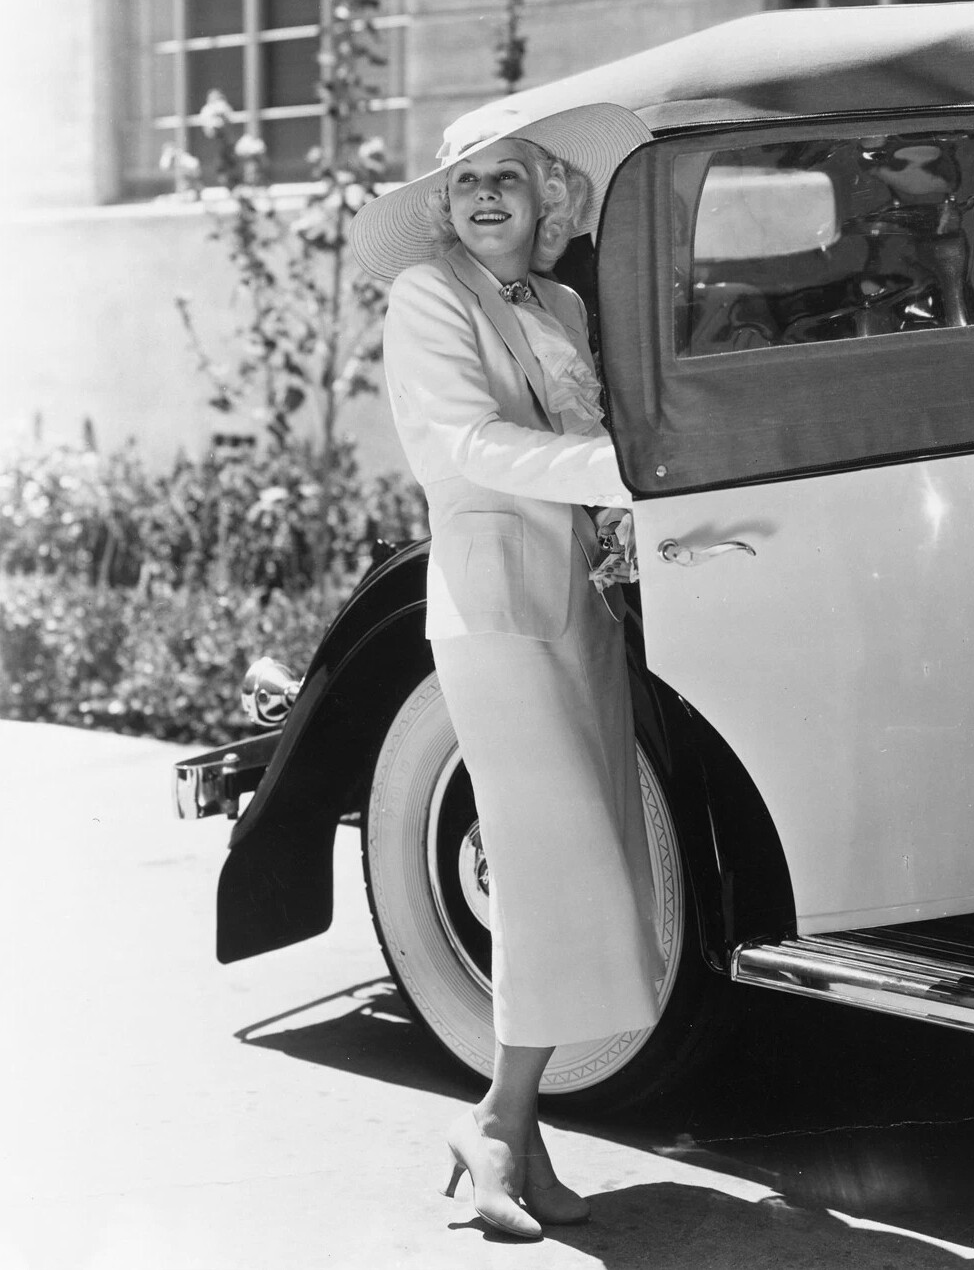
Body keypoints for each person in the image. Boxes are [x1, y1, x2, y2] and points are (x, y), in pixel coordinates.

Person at [350, 102, 663, 1240]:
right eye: (468, 180)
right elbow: (460, 444)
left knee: (585, 862)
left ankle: (513, 1135)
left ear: (547, 199)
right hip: (490, 606)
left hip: (579, 600)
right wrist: (625, 471)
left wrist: (621, 505)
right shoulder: (427, 294)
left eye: (509, 179)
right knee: (537, 866)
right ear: (446, 204)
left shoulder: (562, 302)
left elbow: (577, 427)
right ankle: (495, 1122)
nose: (486, 196)